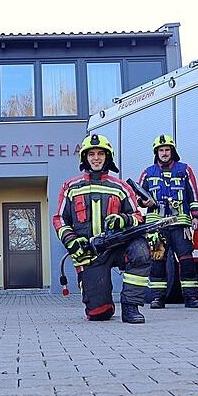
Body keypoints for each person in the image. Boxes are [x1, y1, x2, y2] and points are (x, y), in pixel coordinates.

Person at [53, 134, 149, 323]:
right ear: (84, 158)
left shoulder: (121, 187)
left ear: (108, 157)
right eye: (91, 154)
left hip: (118, 247)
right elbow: (60, 219)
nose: (96, 158)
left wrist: (122, 219)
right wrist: (72, 241)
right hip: (90, 253)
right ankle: (102, 301)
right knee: (99, 314)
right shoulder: (70, 187)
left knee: (140, 251)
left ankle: (131, 307)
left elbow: (138, 217)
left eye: (100, 154)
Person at [138, 134, 198, 309]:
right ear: (156, 152)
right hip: (157, 227)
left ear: (172, 151)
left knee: (187, 260)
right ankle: (157, 298)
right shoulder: (148, 172)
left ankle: (191, 298)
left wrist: (196, 216)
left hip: (179, 225)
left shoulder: (184, 170)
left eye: (167, 150)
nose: (164, 153)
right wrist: (143, 202)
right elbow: (138, 197)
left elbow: (193, 195)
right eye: (161, 150)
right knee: (158, 261)